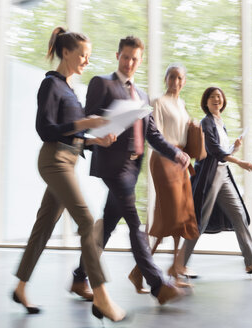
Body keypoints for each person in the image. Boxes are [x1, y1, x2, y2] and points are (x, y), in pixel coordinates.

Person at [12, 27, 125, 322]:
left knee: (44, 227)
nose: (87, 61)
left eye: (88, 56)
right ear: (66, 52)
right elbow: (45, 130)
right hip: (54, 162)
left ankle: (20, 287)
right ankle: (101, 296)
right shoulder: (50, 85)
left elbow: (72, 135)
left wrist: (94, 140)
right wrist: (85, 122)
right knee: (88, 222)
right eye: (83, 55)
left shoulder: (70, 89)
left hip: (69, 159)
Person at [69, 36, 190, 305]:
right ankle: (157, 284)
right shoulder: (102, 83)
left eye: (135, 58)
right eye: (125, 57)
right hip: (112, 164)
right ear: (117, 56)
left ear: (141, 60)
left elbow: (153, 135)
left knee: (109, 224)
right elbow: (86, 121)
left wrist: (177, 153)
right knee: (135, 223)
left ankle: (79, 276)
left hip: (133, 167)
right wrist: (98, 135)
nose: (129, 63)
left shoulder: (143, 95)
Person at [177, 86, 252, 277]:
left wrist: (234, 149)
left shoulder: (220, 122)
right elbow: (215, 151)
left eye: (219, 97)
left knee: (238, 215)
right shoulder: (206, 122)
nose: (216, 99)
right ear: (206, 102)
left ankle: (251, 263)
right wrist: (240, 162)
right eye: (212, 97)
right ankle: (180, 264)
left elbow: (222, 152)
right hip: (209, 178)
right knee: (199, 221)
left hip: (223, 175)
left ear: (223, 101)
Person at [129, 63, 199, 287]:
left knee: (182, 215)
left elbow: (183, 132)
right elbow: (155, 134)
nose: (176, 82)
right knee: (170, 215)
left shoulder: (182, 104)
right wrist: (174, 153)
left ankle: (172, 269)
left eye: (180, 78)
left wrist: (193, 127)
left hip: (181, 160)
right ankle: (143, 268)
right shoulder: (158, 102)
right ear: (165, 79)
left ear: (184, 81)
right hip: (164, 159)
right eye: (172, 77)